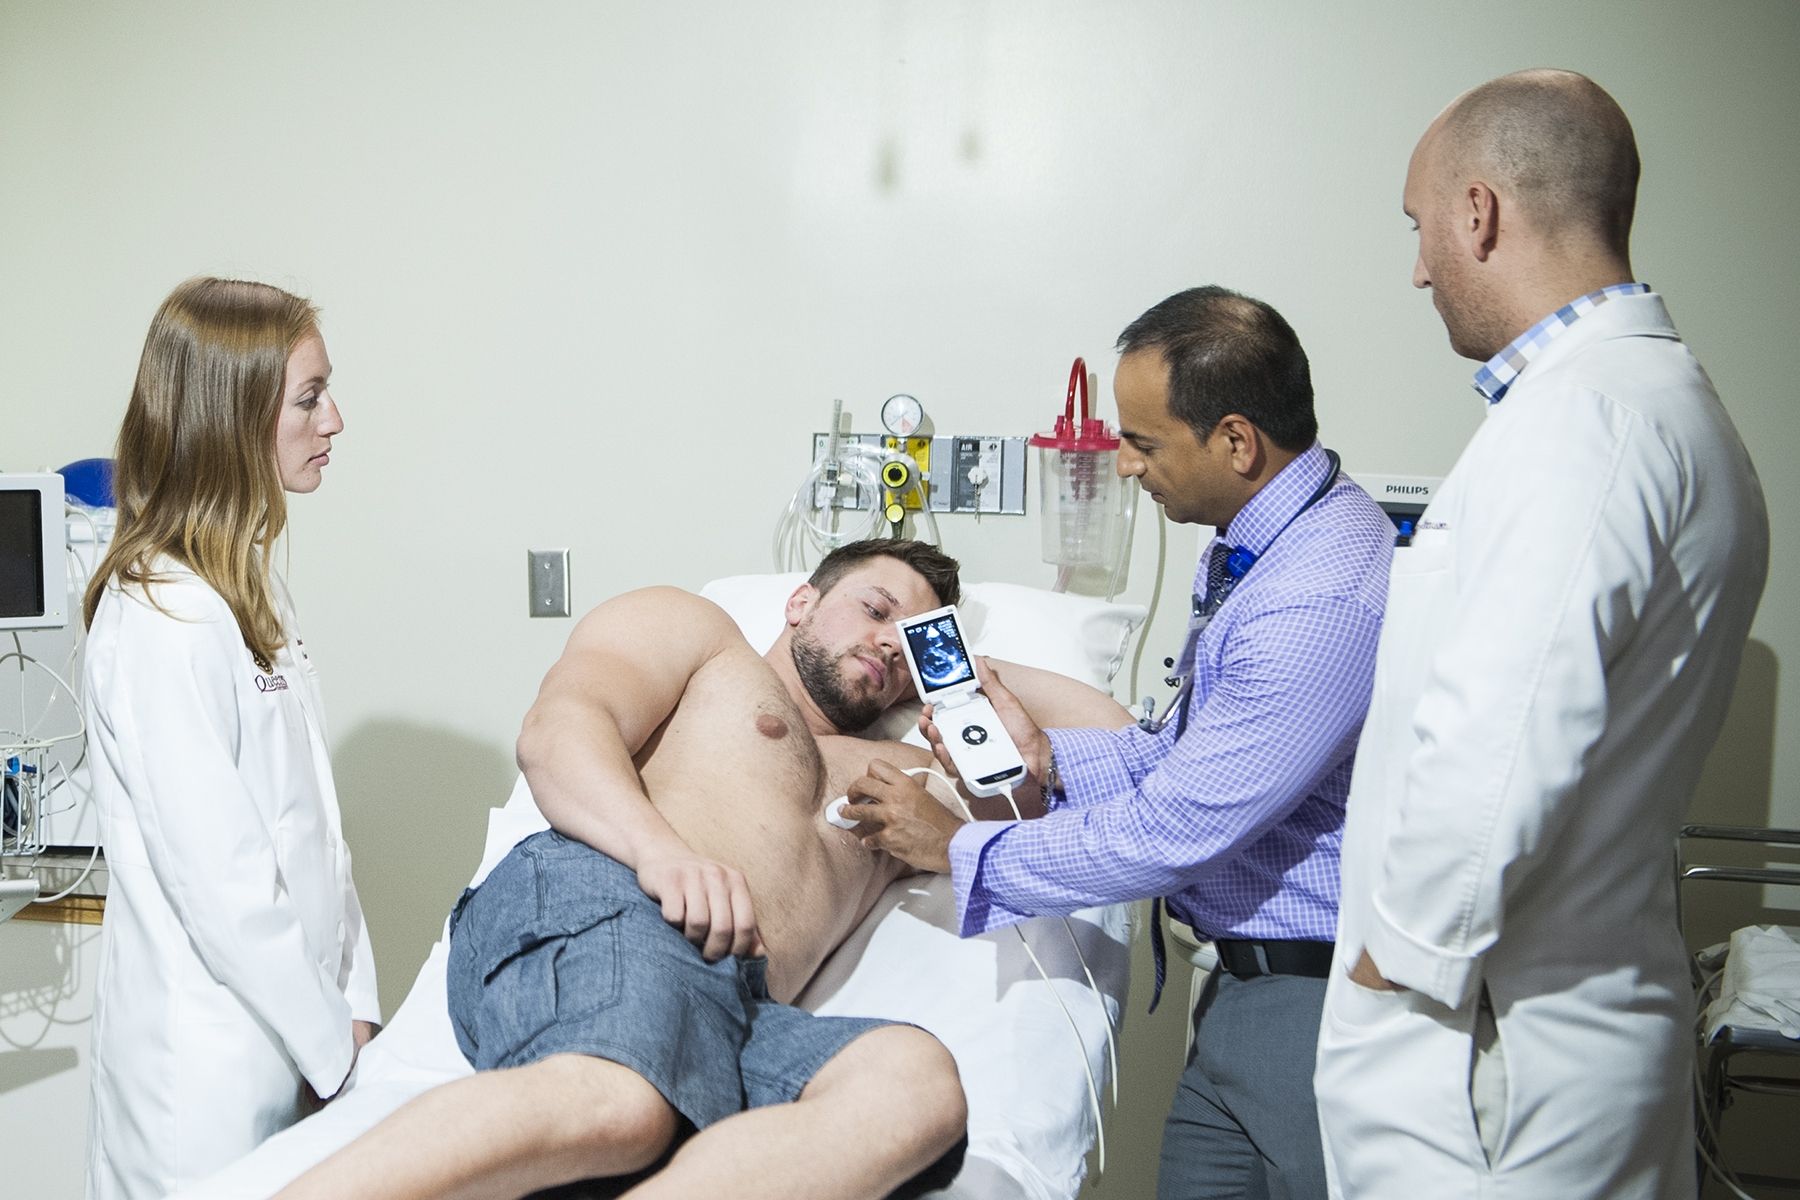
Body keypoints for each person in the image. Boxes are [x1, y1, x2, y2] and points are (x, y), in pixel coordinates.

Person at [267, 538, 1127, 1200]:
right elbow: (557, 730)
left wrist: (956, 671)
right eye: (873, 608)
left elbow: (1121, 744)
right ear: (800, 601)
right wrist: (660, 853)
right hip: (606, 904)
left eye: (914, 635)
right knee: (622, 1103)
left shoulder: (910, 782)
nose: (887, 642)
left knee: (916, 1089)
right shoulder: (704, 642)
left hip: (731, 1008)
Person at [1312, 70, 1770, 1199]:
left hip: (1487, 1054)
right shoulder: (1658, 406)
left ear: (1479, 212)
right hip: (1547, 1026)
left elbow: (1502, 725)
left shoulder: (1589, 422)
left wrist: (1395, 959)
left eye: (1420, 228)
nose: (1419, 266)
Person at [845, 287, 1394, 1199]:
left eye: (1143, 443)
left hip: (1312, 1007)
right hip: (1240, 994)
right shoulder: (1260, 545)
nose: (1130, 469)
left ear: (1235, 442)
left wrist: (958, 847)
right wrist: (1048, 761)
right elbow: (1186, 754)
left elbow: (1179, 827)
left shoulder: (1318, 594)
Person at [81, 277, 379, 1199]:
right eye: (309, 397)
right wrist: (336, 1055)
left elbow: (315, 837)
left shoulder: (248, 589)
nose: (336, 418)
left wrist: (358, 1008)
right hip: (203, 1081)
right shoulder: (161, 613)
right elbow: (223, 882)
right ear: (233, 420)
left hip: (297, 1040)